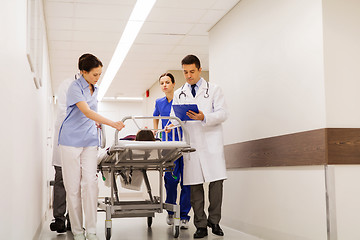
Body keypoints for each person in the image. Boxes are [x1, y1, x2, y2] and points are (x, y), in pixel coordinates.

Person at [58, 53, 125, 240]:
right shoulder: (74, 88)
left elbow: (92, 113)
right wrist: (112, 123)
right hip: (70, 141)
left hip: (89, 141)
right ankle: (78, 231)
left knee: (91, 184)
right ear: (83, 72)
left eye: (99, 74)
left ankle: (92, 230)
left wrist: (98, 126)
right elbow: (87, 111)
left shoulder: (94, 88)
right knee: (73, 188)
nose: (98, 78)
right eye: (95, 74)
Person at [169, 55, 228, 238]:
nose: (188, 76)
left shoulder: (214, 89)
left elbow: (223, 113)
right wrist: (171, 124)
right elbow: (174, 117)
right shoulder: (179, 93)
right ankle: (200, 225)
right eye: (185, 72)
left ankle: (214, 221)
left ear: (200, 70)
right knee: (195, 188)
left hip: (211, 143)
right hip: (192, 145)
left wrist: (204, 117)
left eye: (192, 71)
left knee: (216, 184)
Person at [50, 54, 91, 233]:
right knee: (61, 180)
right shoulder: (67, 85)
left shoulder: (91, 88)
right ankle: (59, 218)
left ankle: (72, 220)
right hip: (65, 140)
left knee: (78, 183)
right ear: (83, 71)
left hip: (83, 142)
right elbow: (63, 113)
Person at [153, 73, 191, 229]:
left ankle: (183, 216)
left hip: (184, 145)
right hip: (169, 147)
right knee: (170, 180)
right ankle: (170, 211)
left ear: (173, 84)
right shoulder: (159, 102)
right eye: (162, 83)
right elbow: (155, 117)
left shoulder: (181, 99)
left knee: (187, 183)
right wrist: (157, 132)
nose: (164, 85)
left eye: (167, 82)